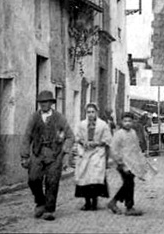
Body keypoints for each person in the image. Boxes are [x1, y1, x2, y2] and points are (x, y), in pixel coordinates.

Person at [20, 90, 75, 222]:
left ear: (51, 103)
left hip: (54, 154)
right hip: (37, 153)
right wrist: (24, 155)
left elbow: (70, 136)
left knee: (52, 181)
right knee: (33, 179)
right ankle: (40, 202)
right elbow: (27, 136)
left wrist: (65, 151)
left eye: (46, 102)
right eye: (41, 102)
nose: (43, 105)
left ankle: (49, 209)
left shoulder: (59, 118)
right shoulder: (34, 117)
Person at [74, 103, 112, 211]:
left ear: (96, 113)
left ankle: (94, 202)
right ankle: (87, 202)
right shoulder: (82, 124)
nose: (90, 114)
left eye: (92, 112)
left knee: (94, 178)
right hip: (85, 153)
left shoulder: (103, 125)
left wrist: (97, 143)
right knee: (85, 177)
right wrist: (83, 142)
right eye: (88, 112)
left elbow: (108, 139)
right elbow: (77, 137)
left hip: (97, 153)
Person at [108, 112, 147, 216]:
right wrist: (120, 163)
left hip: (132, 163)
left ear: (133, 122)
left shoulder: (133, 133)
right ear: (121, 122)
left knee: (129, 184)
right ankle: (125, 205)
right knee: (128, 183)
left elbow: (136, 148)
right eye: (125, 121)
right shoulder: (119, 134)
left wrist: (140, 162)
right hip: (123, 163)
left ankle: (121, 204)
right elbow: (114, 150)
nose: (127, 123)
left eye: (130, 121)